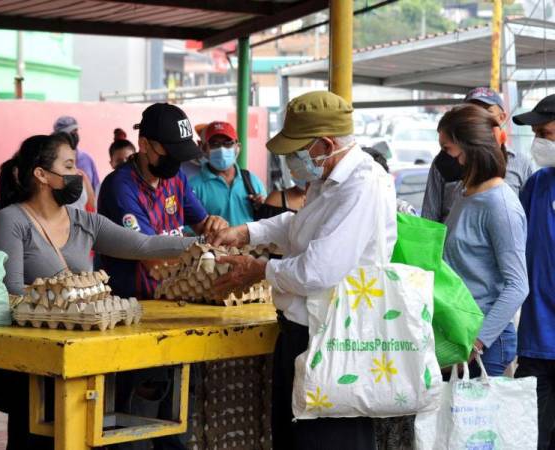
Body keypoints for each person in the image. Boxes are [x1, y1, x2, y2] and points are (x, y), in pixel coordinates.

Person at [0, 133, 199, 450]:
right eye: (69, 166)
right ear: (42, 175)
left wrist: (204, 244)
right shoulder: (10, 221)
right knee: (35, 435)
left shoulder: (84, 222)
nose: (79, 175)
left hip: (81, 352)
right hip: (30, 359)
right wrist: (66, 298)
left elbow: (144, 244)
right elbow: (11, 294)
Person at [209, 91, 394, 450]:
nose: (291, 161)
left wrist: (259, 270)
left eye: (297, 150)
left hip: (335, 340)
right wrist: (246, 232)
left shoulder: (361, 185)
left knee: (328, 440)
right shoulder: (327, 180)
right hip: (302, 332)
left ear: (325, 144)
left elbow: (317, 271)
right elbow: (297, 228)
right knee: (294, 437)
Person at [97, 103, 227, 300]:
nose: (176, 161)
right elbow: (154, 260)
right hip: (134, 304)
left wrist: (217, 227)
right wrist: (205, 247)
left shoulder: (176, 178)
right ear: (144, 144)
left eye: (180, 154)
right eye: (170, 152)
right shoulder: (120, 187)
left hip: (176, 299)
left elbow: (204, 227)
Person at [437, 104, 529, 377]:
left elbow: (517, 286)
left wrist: (478, 342)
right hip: (456, 333)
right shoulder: (464, 194)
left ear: (471, 148)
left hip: (483, 345)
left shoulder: (500, 206)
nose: (443, 158)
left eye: (447, 150)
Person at [512, 94, 555, 450]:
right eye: (537, 134)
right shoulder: (537, 185)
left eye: (546, 133)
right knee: (530, 435)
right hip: (536, 342)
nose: (539, 142)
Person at [422, 87, 534, 222]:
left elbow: (529, 219)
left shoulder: (521, 163)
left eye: (486, 111)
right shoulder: (446, 161)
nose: (478, 118)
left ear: (502, 117)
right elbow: (428, 219)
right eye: (471, 112)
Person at [190, 121, 267, 226]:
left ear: (237, 147)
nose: (222, 149)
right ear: (203, 148)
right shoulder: (193, 187)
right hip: (212, 243)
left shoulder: (253, 182)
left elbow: (266, 224)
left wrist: (264, 207)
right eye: (214, 144)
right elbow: (188, 232)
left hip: (249, 242)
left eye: (228, 143)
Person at [53, 115, 100, 193]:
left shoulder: (86, 158)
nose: (74, 135)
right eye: (70, 132)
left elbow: (96, 186)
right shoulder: (52, 160)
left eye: (75, 131)